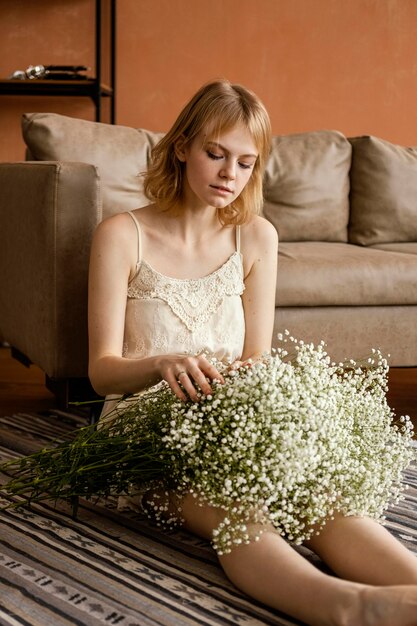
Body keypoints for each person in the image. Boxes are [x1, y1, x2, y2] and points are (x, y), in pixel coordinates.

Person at [87, 79, 417, 626]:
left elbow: (257, 358)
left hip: (233, 415)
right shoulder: (122, 235)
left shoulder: (257, 237)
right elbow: (101, 374)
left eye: (245, 163)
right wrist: (161, 363)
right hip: (143, 428)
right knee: (240, 510)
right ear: (181, 147)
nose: (228, 176)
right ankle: (353, 609)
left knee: (321, 498)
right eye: (215, 154)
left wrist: (261, 407)